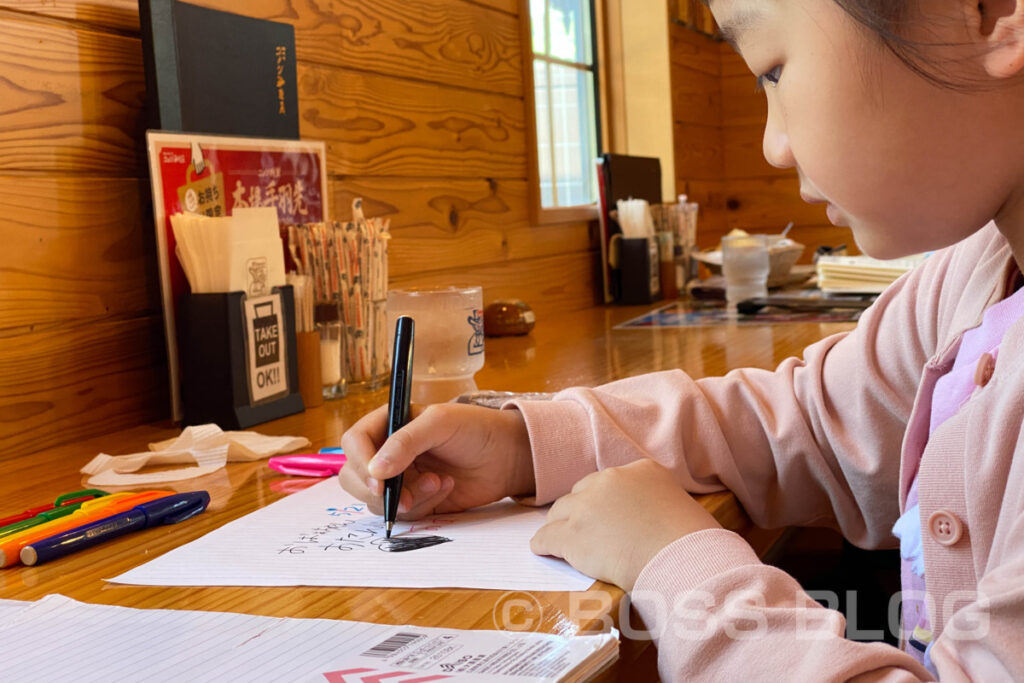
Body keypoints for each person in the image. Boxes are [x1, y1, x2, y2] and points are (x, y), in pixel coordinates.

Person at [339, 0, 1024, 678]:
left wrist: (680, 563)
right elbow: (810, 423)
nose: (772, 145)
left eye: (772, 71)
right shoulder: (976, 272)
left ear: (992, 13)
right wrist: (523, 447)